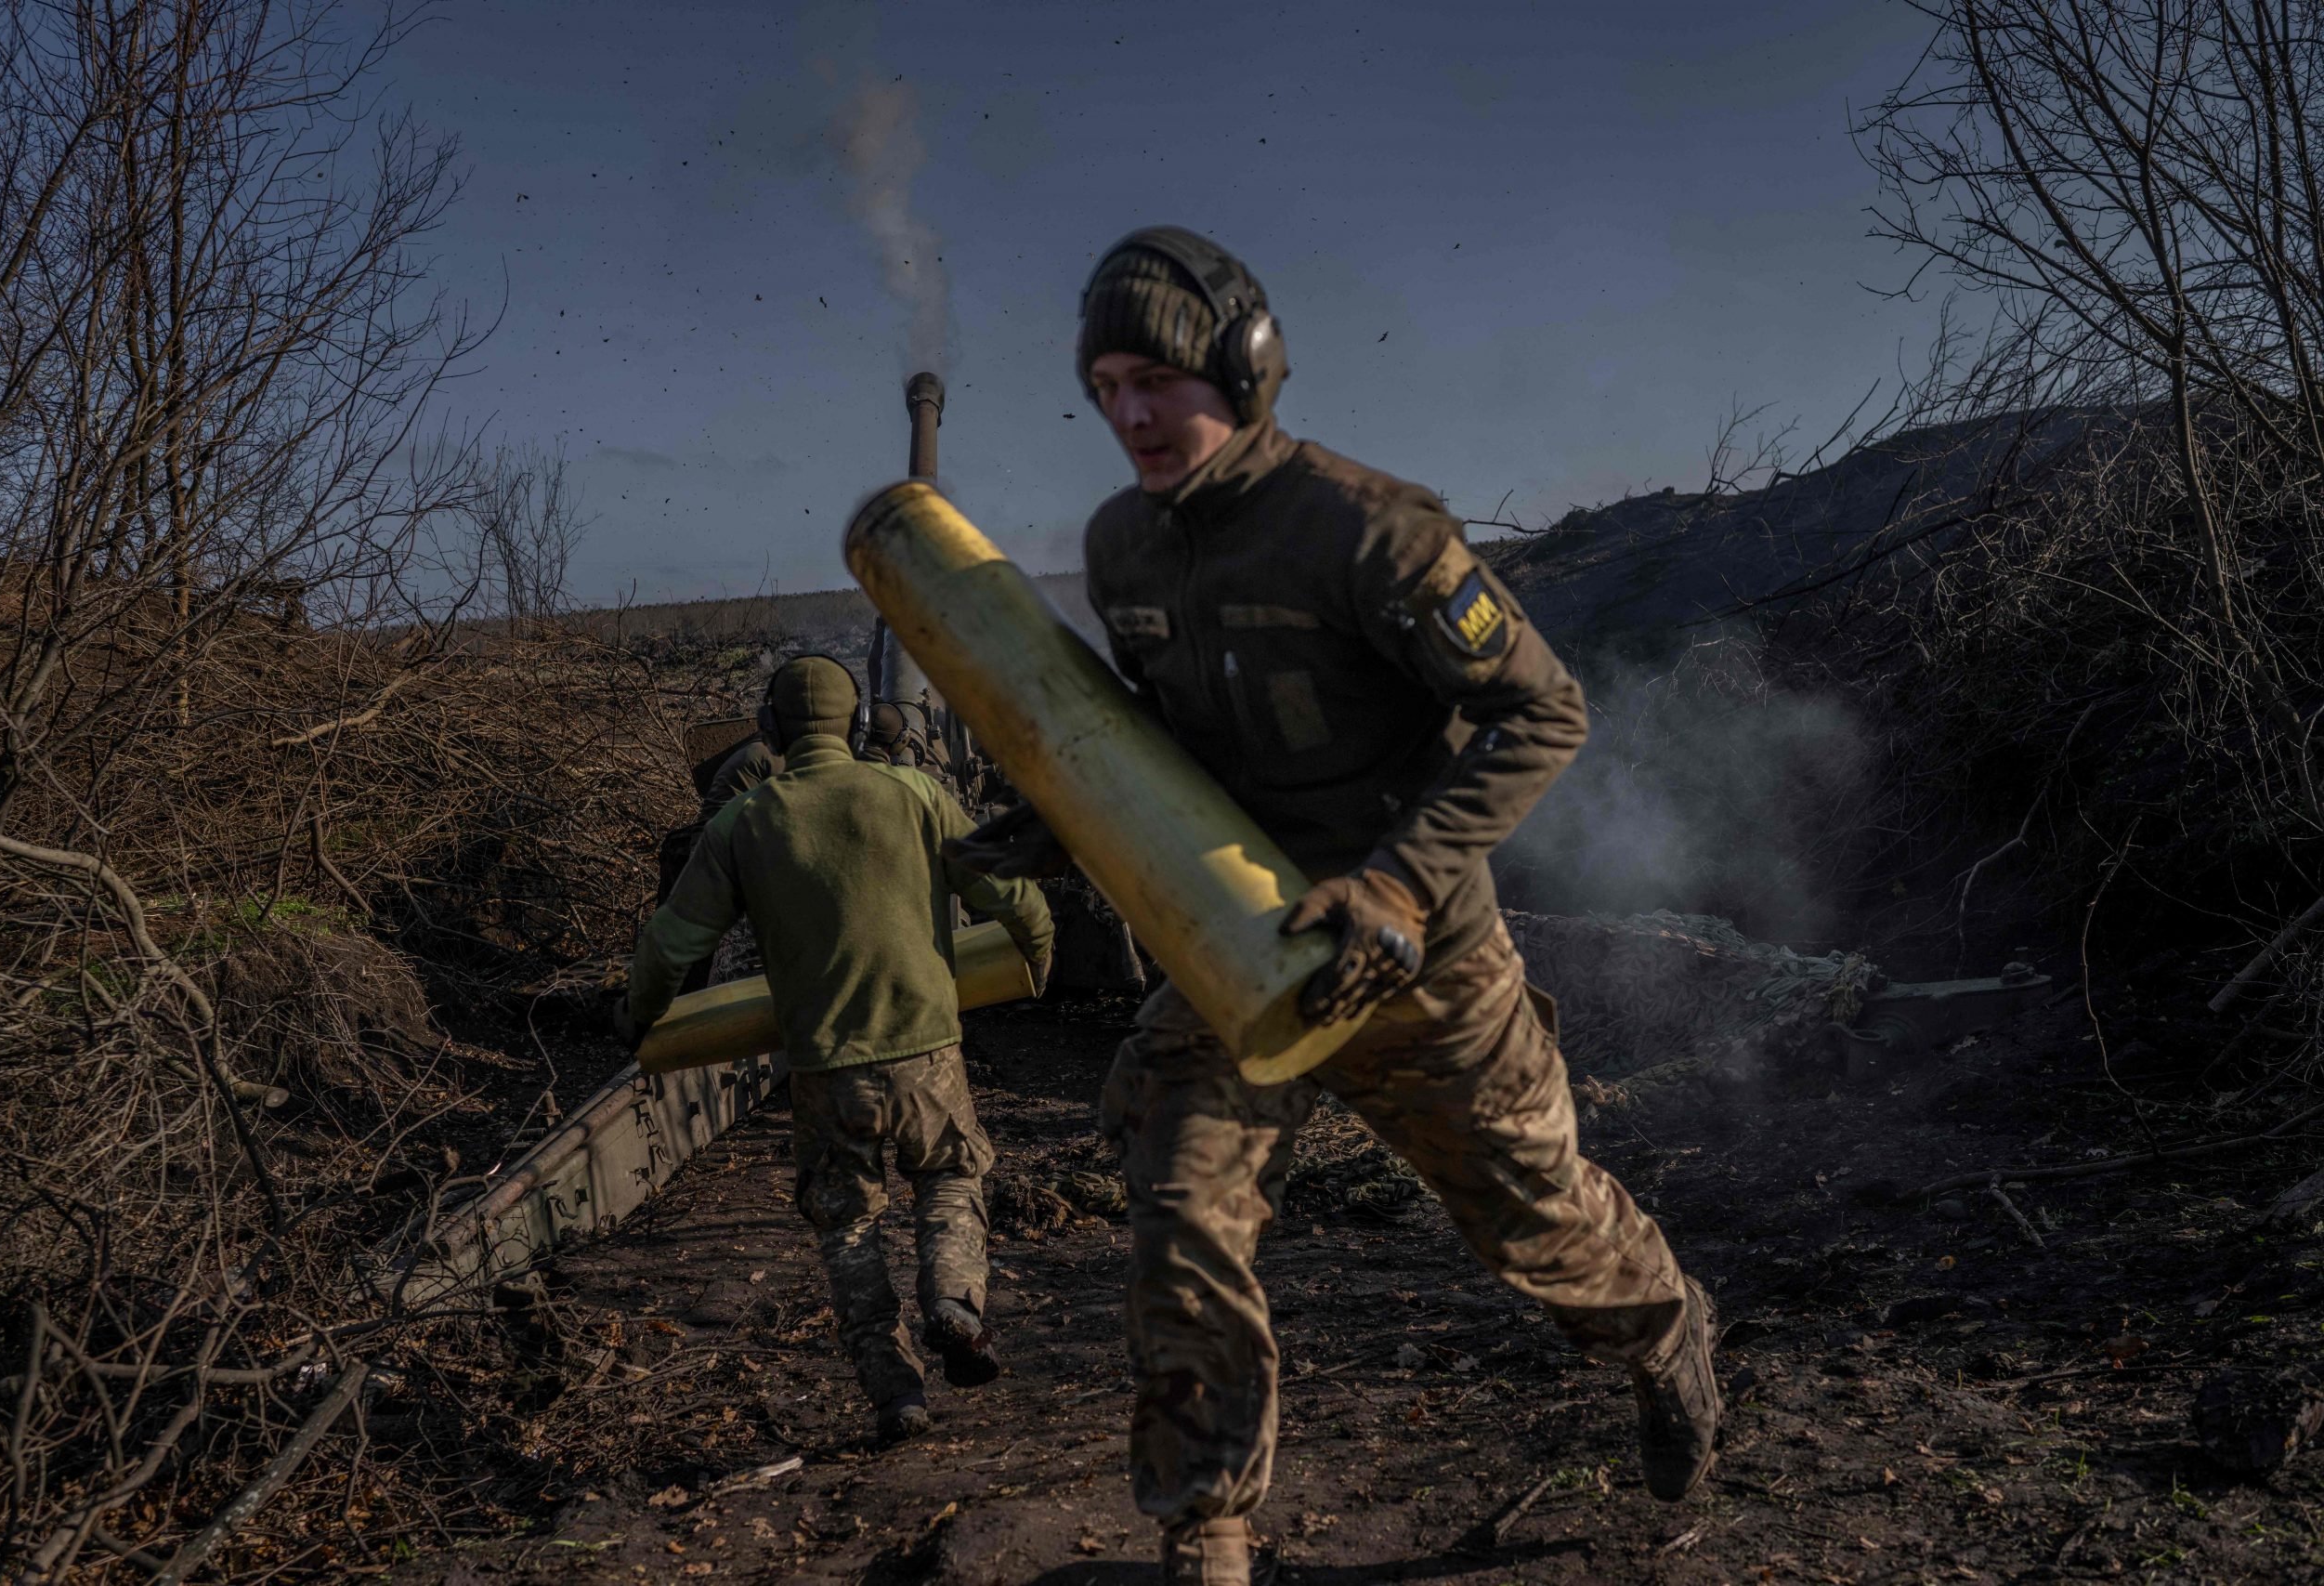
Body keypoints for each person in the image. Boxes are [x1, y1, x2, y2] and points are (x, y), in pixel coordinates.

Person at [949, 228, 1717, 1583]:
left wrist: (1398, 880)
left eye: (1159, 380)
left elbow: (1545, 710)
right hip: (1237, 952)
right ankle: (1211, 1525)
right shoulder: (1125, 549)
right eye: (1107, 383)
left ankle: (1664, 1334)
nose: (1130, 413)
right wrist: (1059, 810)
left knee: (1536, 1225)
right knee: (1182, 1212)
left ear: (1246, 368)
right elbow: (1165, 741)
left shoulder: (1369, 527)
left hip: (1416, 957)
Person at [623, 655, 1055, 1444]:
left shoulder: (744, 822)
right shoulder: (917, 794)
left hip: (824, 1068)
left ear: (770, 730)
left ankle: (896, 1392)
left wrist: (640, 1022)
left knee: (849, 1225)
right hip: (927, 1050)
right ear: (858, 727)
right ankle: (954, 1300)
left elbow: (668, 947)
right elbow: (1011, 888)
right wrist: (1037, 950)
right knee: (952, 1176)